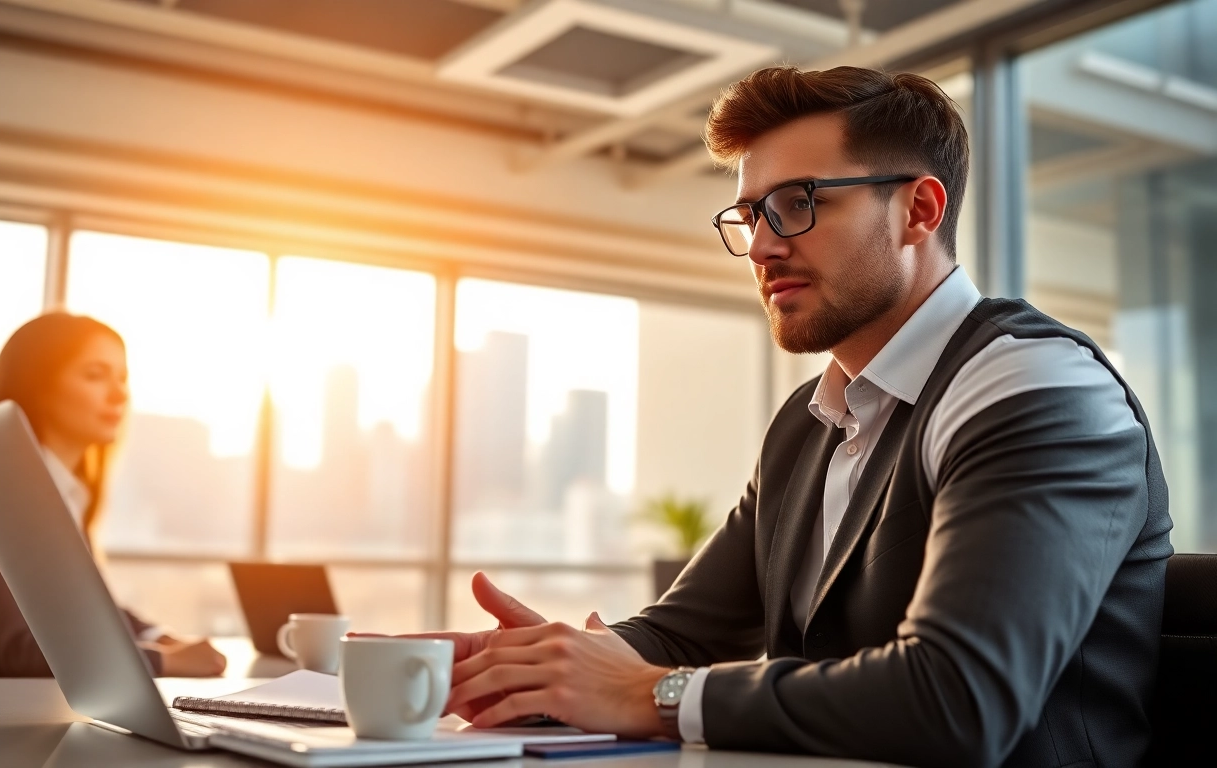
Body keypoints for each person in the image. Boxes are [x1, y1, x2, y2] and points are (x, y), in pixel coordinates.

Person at [421, 66, 1172, 768]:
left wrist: (647, 692)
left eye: (798, 203)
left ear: (919, 209)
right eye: (750, 215)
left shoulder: (1033, 385)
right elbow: (683, 630)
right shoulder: (811, 419)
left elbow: (961, 697)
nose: (763, 247)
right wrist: (533, 671)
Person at [0, 312, 226, 678]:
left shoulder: (67, 493)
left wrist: (162, 638)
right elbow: (23, 649)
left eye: (122, 378)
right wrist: (165, 661)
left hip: (27, 710)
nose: (120, 394)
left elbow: (92, 609)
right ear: (38, 385)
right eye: (95, 375)